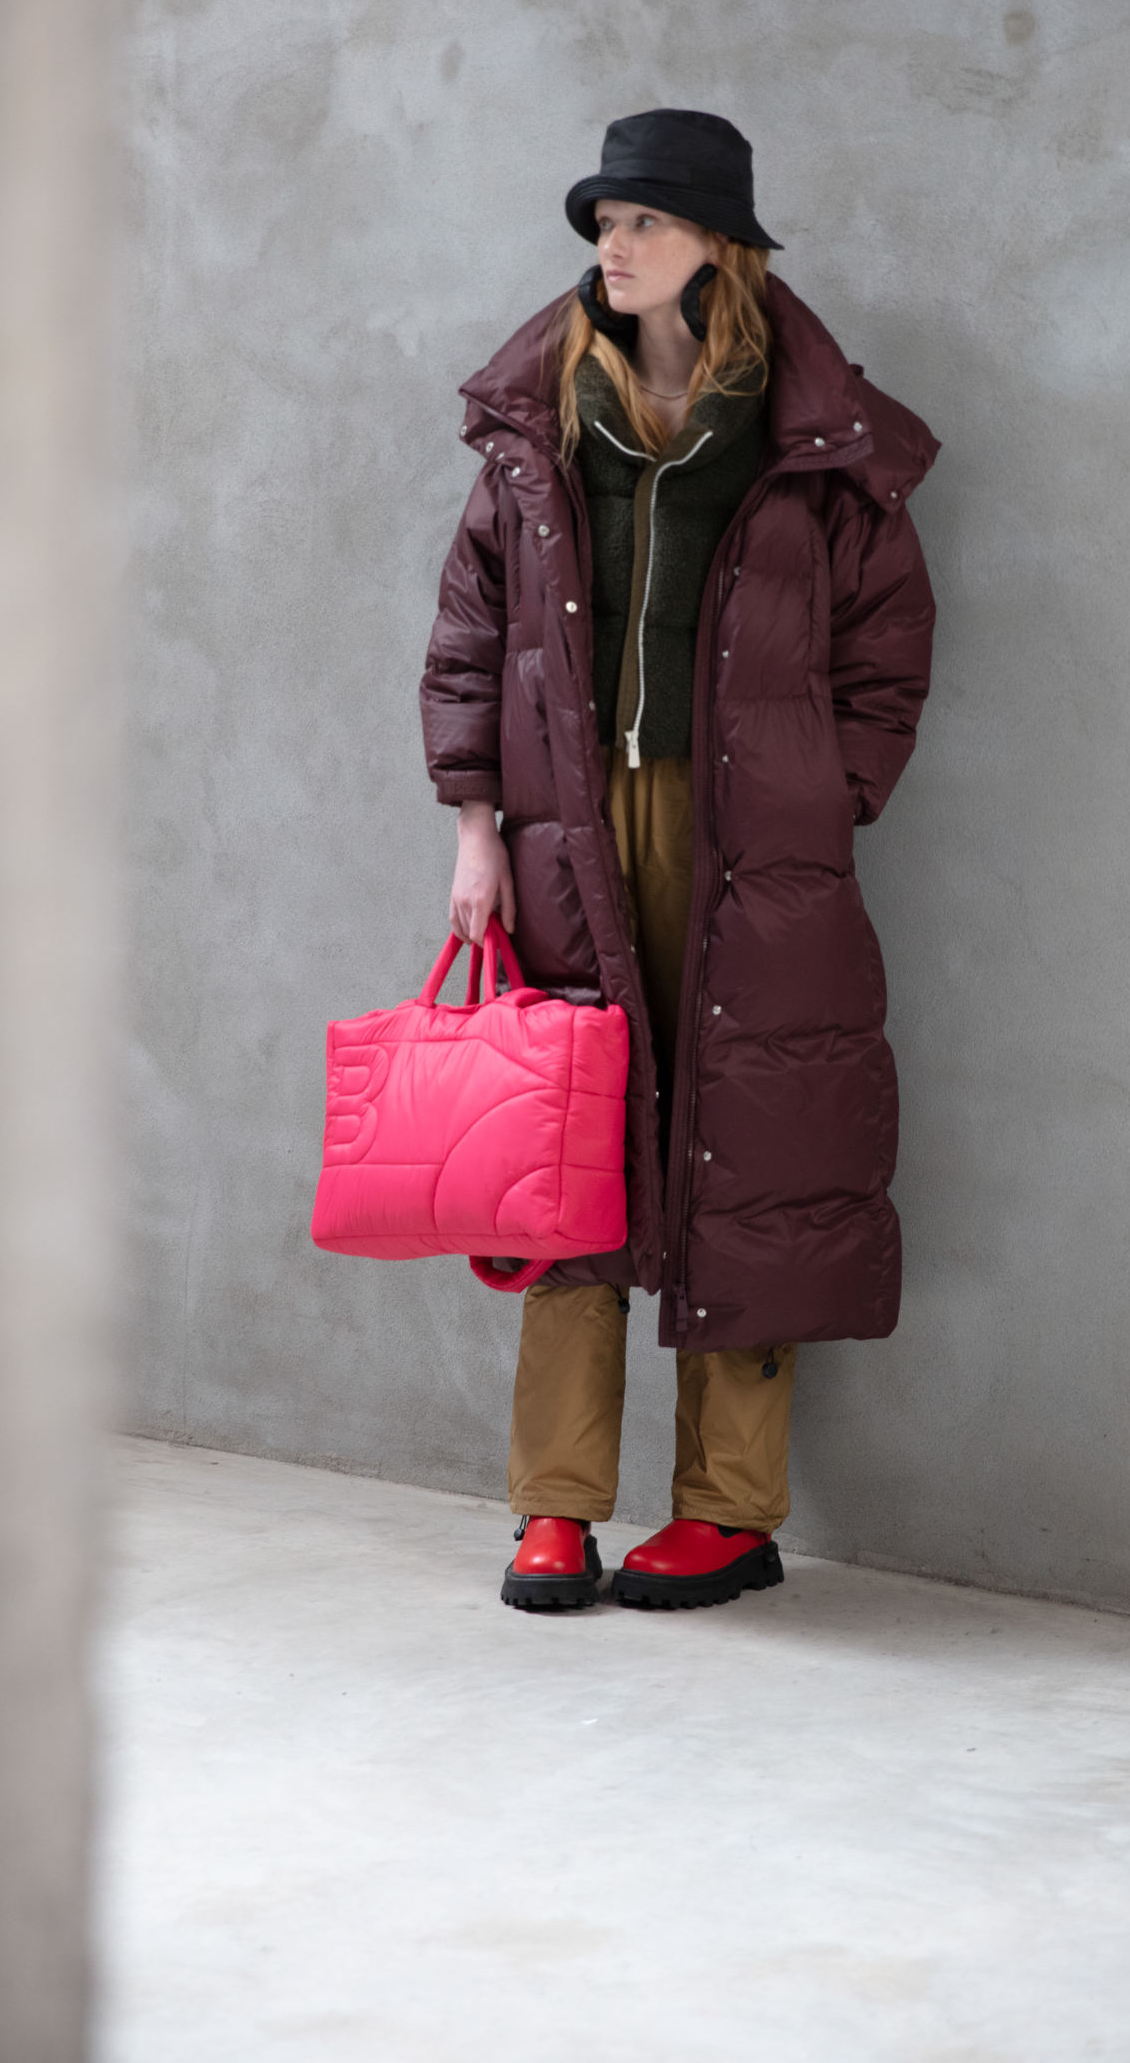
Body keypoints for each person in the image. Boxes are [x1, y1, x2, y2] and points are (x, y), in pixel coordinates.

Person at [421, 108, 938, 1612]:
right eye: (605, 224)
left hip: (754, 836)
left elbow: (887, 642)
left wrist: (826, 795)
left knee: (751, 1144)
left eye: (644, 221)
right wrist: (476, 826)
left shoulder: (808, 432)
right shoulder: (544, 419)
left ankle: (727, 1511)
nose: (615, 246)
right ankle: (556, 1504)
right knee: (567, 1152)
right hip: (570, 828)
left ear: (720, 242)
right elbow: (472, 629)